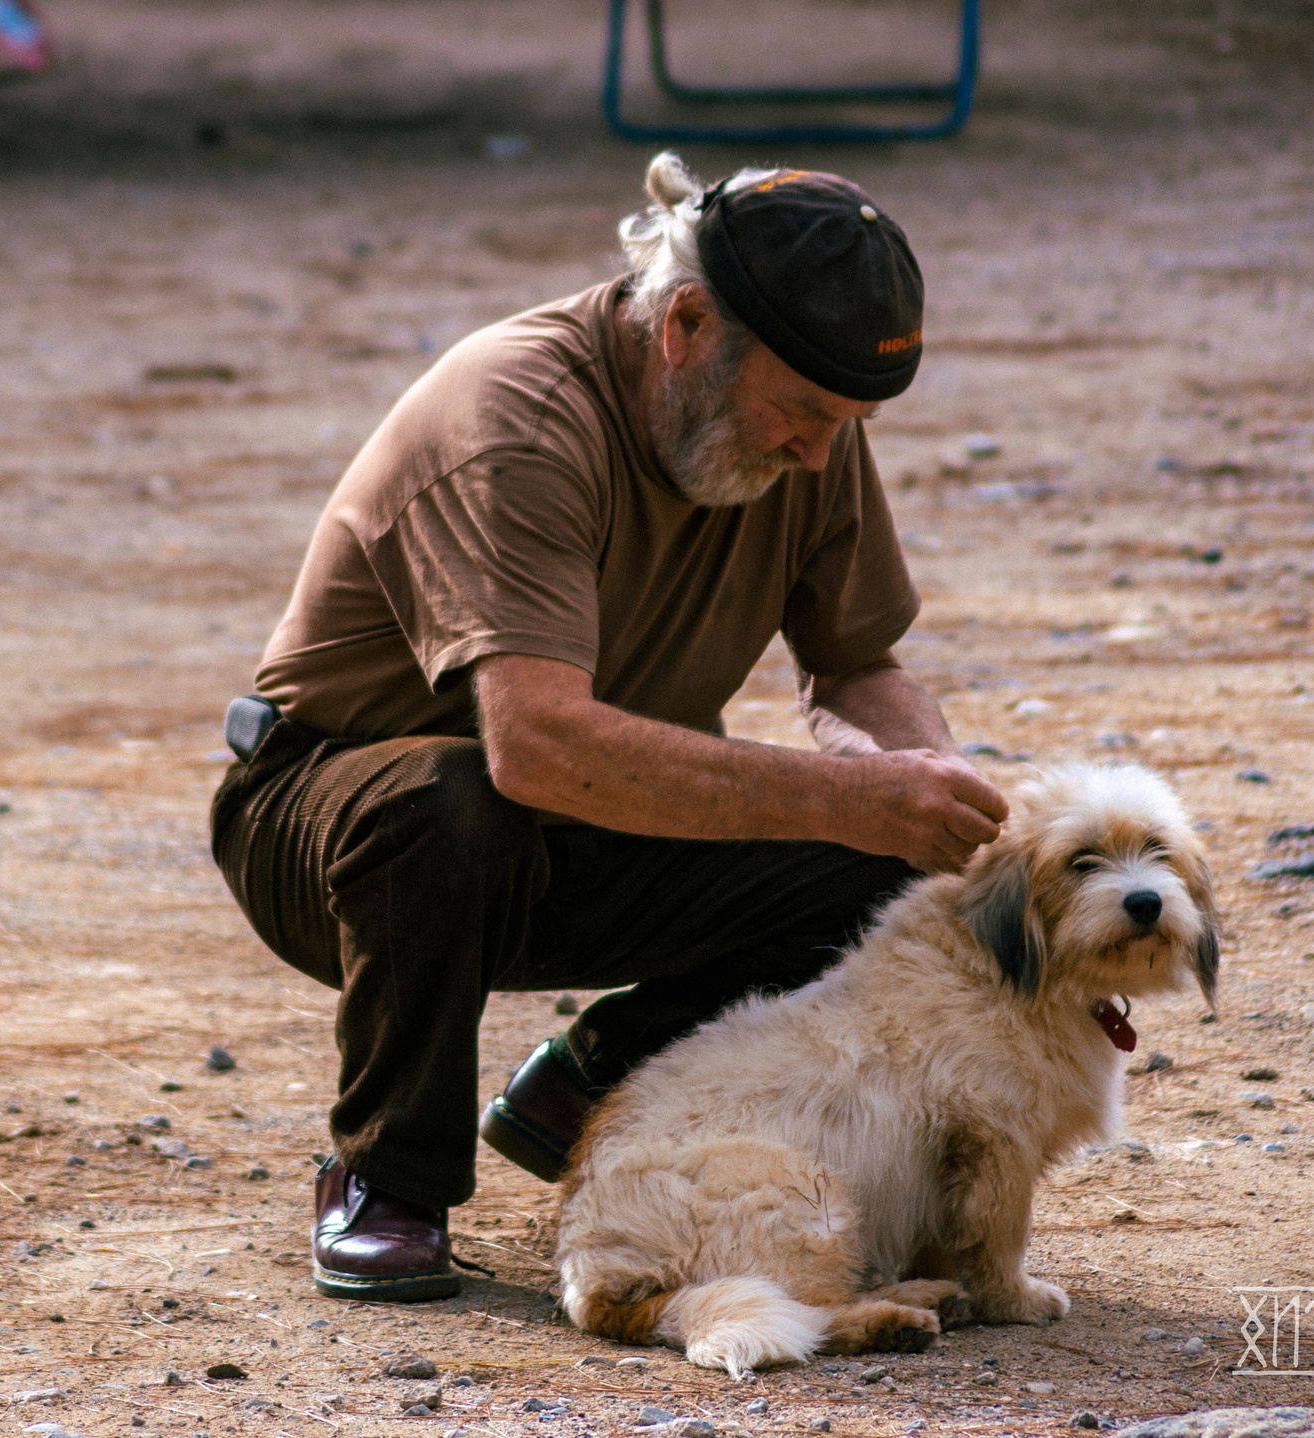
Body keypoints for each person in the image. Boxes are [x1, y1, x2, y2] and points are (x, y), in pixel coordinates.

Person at [209, 151, 1009, 1303]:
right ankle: (387, 1178)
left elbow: (855, 664)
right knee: (448, 802)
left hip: (590, 820)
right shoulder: (516, 416)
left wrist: (940, 802)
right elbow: (533, 745)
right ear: (686, 323)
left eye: (851, 421)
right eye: (801, 414)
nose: (822, 454)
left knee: (894, 862)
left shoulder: (808, 422)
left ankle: (588, 1087)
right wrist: (856, 799)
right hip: (340, 822)